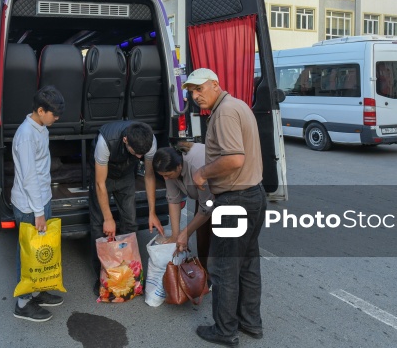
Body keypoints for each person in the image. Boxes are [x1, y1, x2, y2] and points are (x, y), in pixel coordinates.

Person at [183, 68, 266, 346]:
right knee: (247, 265)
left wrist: (203, 172)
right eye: (191, 92)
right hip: (253, 196)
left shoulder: (225, 112)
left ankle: (225, 330)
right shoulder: (238, 105)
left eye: (200, 89)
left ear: (215, 85)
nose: (195, 96)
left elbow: (234, 159)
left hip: (235, 201)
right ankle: (250, 323)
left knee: (223, 269)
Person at [89, 120, 164, 296]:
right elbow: (100, 183)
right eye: (136, 153)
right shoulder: (105, 142)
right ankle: (102, 277)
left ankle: (129, 274)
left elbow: (149, 176)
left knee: (130, 223)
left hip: (126, 177)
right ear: (124, 140)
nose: (139, 157)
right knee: (99, 226)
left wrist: (152, 212)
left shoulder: (149, 141)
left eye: (142, 154)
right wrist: (108, 218)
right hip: (103, 177)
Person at [11, 85, 65, 322]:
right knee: (28, 254)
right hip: (29, 205)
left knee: (41, 250)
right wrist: (38, 213)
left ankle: (39, 290)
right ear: (40, 110)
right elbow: (29, 176)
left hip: (41, 199)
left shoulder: (41, 127)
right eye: (54, 113)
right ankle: (23, 304)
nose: (57, 117)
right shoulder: (26, 136)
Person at [152, 143, 214, 273]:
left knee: (219, 242)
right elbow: (174, 200)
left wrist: (185, 233)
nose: (165, 178)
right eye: (162, 175)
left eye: (167, 175)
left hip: (223, 196)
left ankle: (218, 279)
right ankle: (204, 275)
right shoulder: (169, 168)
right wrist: (175, 235)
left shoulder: (197, 166)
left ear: (179, 167)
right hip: (204, 200)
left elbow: (206, 208)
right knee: (202, 238)